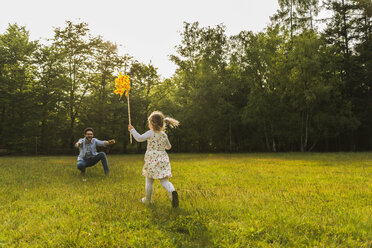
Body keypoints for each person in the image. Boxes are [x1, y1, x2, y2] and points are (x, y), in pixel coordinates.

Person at [128, 111, 179, 208]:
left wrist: (132, 130)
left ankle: (147, 200)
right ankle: (172, 192)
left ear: (151, 123)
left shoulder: (151, 133)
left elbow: (139, 138)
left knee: (149, 181)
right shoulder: (164, 135)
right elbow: (169, 147)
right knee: (164, 181)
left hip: (152, 159)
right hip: (163, 159)